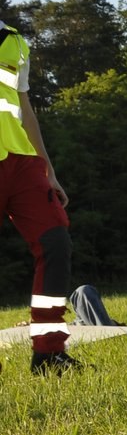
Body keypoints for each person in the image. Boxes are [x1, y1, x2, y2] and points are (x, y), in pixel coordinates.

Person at [0, 19, 79, 375]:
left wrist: (48, 168)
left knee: (55, 241)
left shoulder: (15, 41)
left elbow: (23, 107)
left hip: (21, 163)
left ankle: (49, 353)